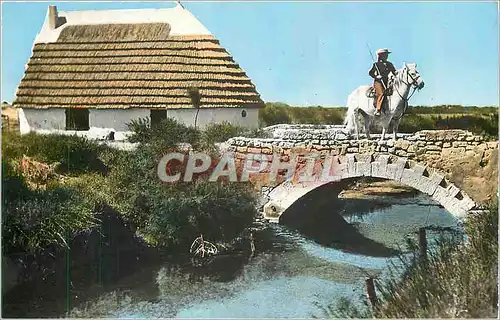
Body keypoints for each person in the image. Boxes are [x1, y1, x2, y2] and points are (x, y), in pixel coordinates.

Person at [368, 48, 397, 116]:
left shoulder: (390, 64)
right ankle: (378, 109)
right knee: (381, 93)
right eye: (385, 55)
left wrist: (395, 75)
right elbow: (370, 73)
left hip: (387, 82)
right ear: (381, 55)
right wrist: (376, 76)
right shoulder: (376, 64)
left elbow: (394, 72)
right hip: (378, 82)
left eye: (387, 55)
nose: (386, 56)